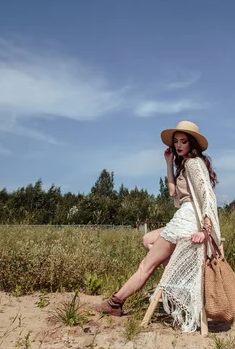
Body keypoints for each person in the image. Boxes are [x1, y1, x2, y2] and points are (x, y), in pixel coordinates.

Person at [94, 120, 221, 333]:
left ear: (192, 144)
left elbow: (208, 195)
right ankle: (176, 278)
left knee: (147, 265)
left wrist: (206, 230)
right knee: (148, 239)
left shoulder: (193, 163)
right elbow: (173, 193)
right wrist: (169, 162)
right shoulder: (185, 165)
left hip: (188, 220)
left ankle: (115, 303)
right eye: (176, 142)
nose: (179, 145)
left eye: (183, 141)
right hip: (184, 217)